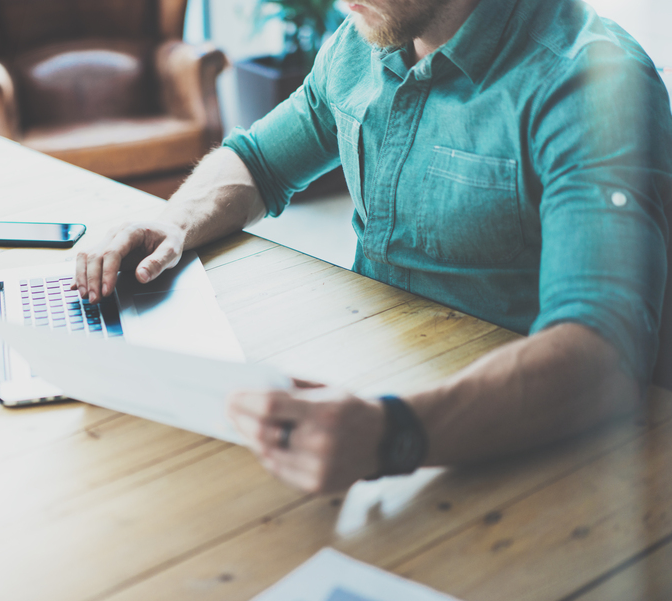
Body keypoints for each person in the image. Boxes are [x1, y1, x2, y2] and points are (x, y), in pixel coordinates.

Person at [74, 0, 672, 493]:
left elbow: (604, 351)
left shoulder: (593, 84)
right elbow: (258, 163)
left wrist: (393, 433)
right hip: (373, 389)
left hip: (517, 442)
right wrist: (172, 223)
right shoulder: (366, 37)